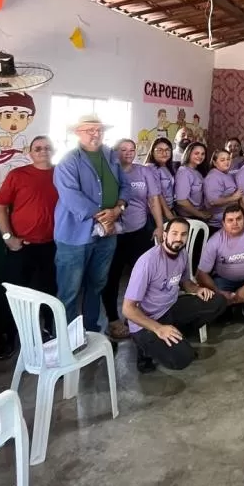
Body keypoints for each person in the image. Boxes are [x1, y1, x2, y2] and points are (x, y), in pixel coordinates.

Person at [52, 114, 131, 332]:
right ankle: (66, 340)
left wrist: (118, 209)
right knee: (69, 291)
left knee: (96, 285)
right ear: (77, 132)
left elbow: (125, 186)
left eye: (99, 130)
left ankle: (91, 330)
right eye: (90, 130)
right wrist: (104, 217)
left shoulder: (110, 155)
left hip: (107, 234)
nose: (96, 134)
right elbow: (71, 198)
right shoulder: (68, 162)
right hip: (74, 237)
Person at [122, 218, 226, 373]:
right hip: (147, 320)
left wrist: (197, 290)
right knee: (183, 359)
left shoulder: (182, 254)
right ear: (165, 235)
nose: (179, 238)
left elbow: (185, 283)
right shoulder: (147, 262)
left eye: (183, 234)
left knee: (217, 301)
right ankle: (143, 349)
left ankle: (177, 337)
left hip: (169, 308)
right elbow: (128, 310)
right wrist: (158, 329)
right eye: (174, 233)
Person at [0, 135, 58, 360]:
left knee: (50, 292)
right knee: (10, 295)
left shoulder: (62, 175)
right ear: (30, 152)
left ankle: (48, 332)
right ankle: (7, 336)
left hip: (52, 247)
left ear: (54, 150)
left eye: (47, 147)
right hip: (21, 246)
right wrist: (8, 237)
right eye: (38, 148)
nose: (43, 151)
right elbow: (0, 206)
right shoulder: (17, 175)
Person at [102, 139, 163, 341]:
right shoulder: (109, 171)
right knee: (111, 278)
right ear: (115, 151)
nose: (128, 153)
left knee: (141, 276)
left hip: (139, 232)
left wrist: (160, 226)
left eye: (132, 150)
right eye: (123, 149)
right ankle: (113, 319)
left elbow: (153, 200)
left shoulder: (144, 172)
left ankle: (137, 316)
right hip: (113, 235)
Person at [204, 149, 243, 229]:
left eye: (228, 159)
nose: (227, 162)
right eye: (222, 160)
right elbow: (213, 201)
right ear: (215, 163)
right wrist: (233, 198)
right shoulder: (213, 177)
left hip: (229, 219)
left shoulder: (226, 174)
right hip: (217, 224)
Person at [174, 142, 212, 223]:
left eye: (203, 154)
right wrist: (200, 214)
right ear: (189, 154)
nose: (200, 156)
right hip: (189, 217)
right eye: (196, 153)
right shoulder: (183, 172)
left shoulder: (197, 171)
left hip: (197, 213)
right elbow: (181, 201)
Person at [145, 137, 176, 224]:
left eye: (167, 150)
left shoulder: (166, 167)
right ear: (152, 152)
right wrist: (168, 214)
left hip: (169, 209)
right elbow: (158, 194)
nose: (164, 153)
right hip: (157, 213)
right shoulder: (150, 167)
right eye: (159, 150)